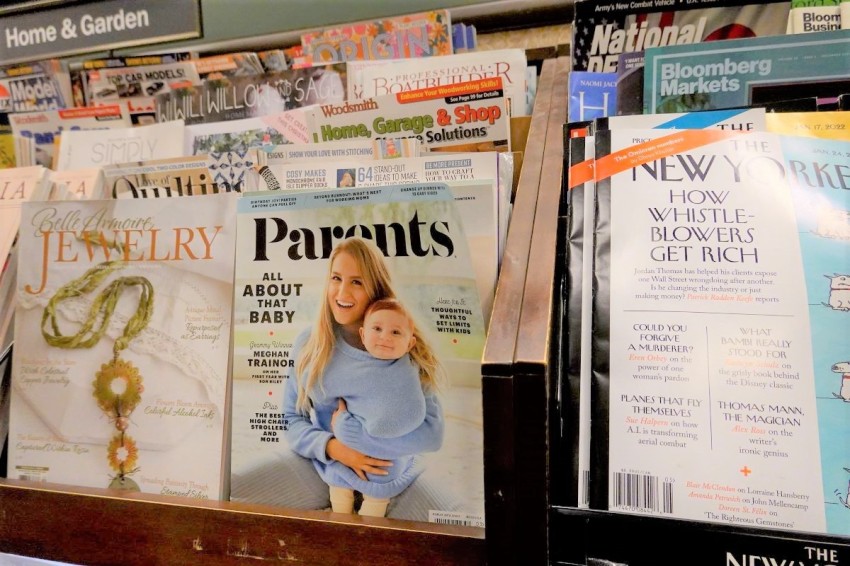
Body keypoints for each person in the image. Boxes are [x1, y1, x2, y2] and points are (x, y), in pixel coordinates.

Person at [281, 237, 450, 518]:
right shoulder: (309, 345)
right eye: (336, 278)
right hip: (330, 464)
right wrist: (335, 448)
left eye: (357, 282)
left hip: (389, 469)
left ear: (376, 287)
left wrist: (358, 440)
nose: (342, 292)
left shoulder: (403, 350)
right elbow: (290, 419)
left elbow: (432, 435)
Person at [323, 297, 438, 517]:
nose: (385, 337)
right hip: (347, 449)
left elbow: (411, 414)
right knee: (337, 481)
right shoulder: (351, 365)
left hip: (387, 454)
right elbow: (329, 396)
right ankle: (340, 519)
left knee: (379, 489)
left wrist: (347, 428)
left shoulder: (408, 373)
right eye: (377, 328)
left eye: (396, 333)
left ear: (410, 343)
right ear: (363, 335)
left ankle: (369, 523)